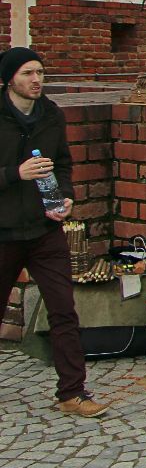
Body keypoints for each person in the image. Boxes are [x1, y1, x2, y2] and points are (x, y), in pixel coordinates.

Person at [0, 47, 107, 418]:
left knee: (64, 310)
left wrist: (67, 198)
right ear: (10, 79)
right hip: (4, 230)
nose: (36, 80)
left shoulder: (51, 115)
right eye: (28, 73)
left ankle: (72, 392)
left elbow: (62, 163)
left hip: (45, 229)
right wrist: (16, 174)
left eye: (40, 73)